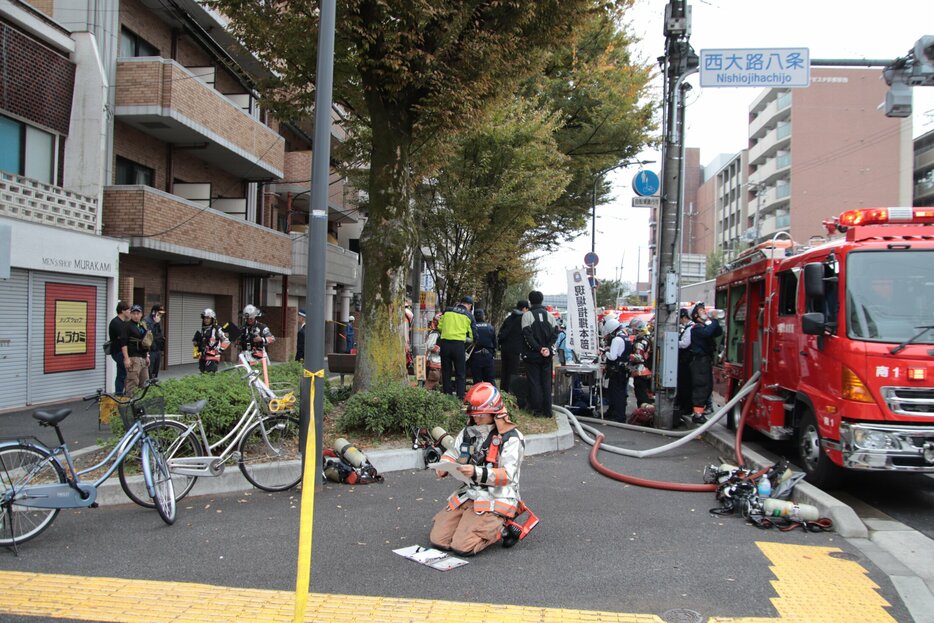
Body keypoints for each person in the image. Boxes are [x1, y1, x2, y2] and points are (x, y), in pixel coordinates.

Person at [429, 382, 525, 556]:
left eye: (481, 414)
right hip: (470, 493)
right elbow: (453, 452)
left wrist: (475, 472)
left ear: (494, 411)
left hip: (498, 496)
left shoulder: (511, 438)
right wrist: (444, 465)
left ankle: (504, 529)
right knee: (439, 540)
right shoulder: (468, 431)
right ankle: (468, 520)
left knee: (462, 546)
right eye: (474, 414)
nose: (477, 418)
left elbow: (507, 475)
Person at [522, 291, 558, 418]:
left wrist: (539, 348)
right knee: (547, 382)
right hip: (547, 355)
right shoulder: (550, 315)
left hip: (533, 355)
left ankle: (537, 410)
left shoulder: (527, 316)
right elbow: (555, 334)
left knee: (534, 382)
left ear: (530, 301)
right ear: (542, 300)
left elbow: (527, 336)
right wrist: (547, 348)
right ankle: (548, 411)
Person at [689, 302, 723, 425]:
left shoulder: (705, 326)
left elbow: (717, 332)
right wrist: (713, 319)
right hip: (699, 361)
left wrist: (715, 321)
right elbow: (707, 333)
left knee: (707, 386)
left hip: (705, 361)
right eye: (701, 311)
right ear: (695, 315)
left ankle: (701, 411)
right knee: (701, 386)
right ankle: (697, 414)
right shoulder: (697, 328)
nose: (704, 312)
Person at [438, 295, 475, 399]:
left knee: (446, 371)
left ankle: (447, 395)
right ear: (469, 305)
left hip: (445, 344)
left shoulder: (447, 311)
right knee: (460, 372)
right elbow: (473, 335)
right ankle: (460, 396)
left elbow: (440, 326)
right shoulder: (468, 315)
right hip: (458, 345)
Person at [602, 318, 631, 422]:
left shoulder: (616, 339)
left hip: (617, 370)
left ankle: (619, 416)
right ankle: (613, 412)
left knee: (616, 393)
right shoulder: (626, 338)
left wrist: (605, 353)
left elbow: (613, 357)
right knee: (619, 392)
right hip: (624, 369)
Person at [497, 300, 528, 393]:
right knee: (513, 372)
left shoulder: (509, 318)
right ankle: (511, 393)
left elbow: (501, 332)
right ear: (524, 308)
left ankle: (503, 392)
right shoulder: (522, 319)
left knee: (504, 371)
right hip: (515, 350)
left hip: (504, 349)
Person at [193, 308, 230, 373]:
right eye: (204, 318)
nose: (205, 320)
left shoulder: (217, 329)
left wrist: (220, 350)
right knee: (203, 376)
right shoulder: (204, 329)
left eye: (208, 318)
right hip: (203, 357)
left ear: (212, 319)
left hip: (213, 357)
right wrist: (197, 343)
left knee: (210, 375)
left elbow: (227, 340)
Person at [124, 305, 150, 395]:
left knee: (145, 383)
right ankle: (129, 405)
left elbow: (145, 342)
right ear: (130, 314)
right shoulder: (127, 326)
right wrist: (126, 358)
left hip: (143, 358)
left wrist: (147, 356)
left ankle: (141, 404)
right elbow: (123, 344)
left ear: (141, 314)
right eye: (134, 313)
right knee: (132, 382)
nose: (136, 315)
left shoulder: (142, 325)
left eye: (138, 313)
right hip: (133, 357)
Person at [628, 319, 653, 409]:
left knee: (641, 397)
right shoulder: (648, 338)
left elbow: (639, 357)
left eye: (634, 330)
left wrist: (628, 356)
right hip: (648, 371)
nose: (633, 332)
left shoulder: (639, 342)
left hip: (640, 372)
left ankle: (644, 416)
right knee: (648, 395)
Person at [108, 301, 131, 395]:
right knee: (122, 374)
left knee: (123, 374)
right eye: (128, 310)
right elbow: (123, 338)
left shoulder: (123, 322)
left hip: (122, 351)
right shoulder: (116, 322)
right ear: (122, 311)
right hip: (118, 352)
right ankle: (119, 394)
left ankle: (121, 394)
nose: (129, 312)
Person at [675, 308, 693, 424]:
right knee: (682, 385)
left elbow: (685, 343)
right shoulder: (686, 328)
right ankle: (683, 406)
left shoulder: (690, 328)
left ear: (684, 317)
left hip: (687, 362)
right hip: (684, 361)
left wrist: (673, 343)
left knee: (686, 385)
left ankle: (686, 408)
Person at [471, 309, 497, 385]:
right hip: (488, 356)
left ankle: (478, 396)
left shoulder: (472, 327)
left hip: (475, 356)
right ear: (483, 316)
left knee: (477, 381)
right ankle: (493, 395)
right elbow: (495, 343)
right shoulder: (490, 327)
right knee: (490, 380)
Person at [145, 304, 165, 379]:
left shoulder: (157, 321)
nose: (160, 316)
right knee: (149, 371)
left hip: (157, 349)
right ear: (154, 312)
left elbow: (159, 334)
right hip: (151, 350)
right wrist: (155, 323)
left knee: (155, 372)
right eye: (159, 313)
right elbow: (148, 335)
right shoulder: (147, 321)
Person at [424, 313, 443, 390]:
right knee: (432, 383)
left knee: (435, 385)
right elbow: (430, 346)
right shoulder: (437, 333)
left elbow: (429, 345)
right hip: (435, 363)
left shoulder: (437, 333)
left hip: (437, 363)